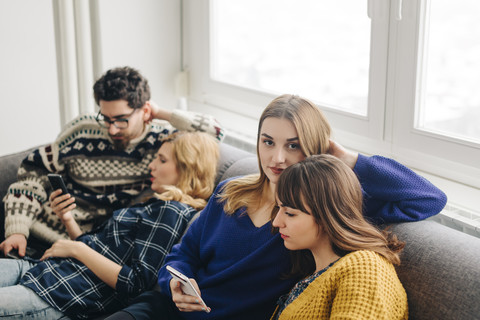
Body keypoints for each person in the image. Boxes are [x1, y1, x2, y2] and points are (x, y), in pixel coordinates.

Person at [107, 94, 446, 320]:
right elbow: (183, 254)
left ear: (313, 149)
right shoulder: (230, 192)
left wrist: (346, 157)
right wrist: (174, 284)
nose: (277, 158)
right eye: (268, 142)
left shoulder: (323, 213)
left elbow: (428, 199)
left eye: (293, 146)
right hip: (166, 309)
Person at [1, 66, 225, 258]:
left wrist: (161, 112)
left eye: (121, 120)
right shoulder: (82, 129)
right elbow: (32, 174)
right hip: (33, 229)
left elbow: (215, 132)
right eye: (105, 118)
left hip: (83, 245)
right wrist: (17, 230)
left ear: (145, 110)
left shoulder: (161, 143)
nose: (111, 129)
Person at [0, 131, 220, 319]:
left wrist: (77, 249)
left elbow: (136, 283)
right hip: (44, 268)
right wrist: (67, 218)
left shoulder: (171, 211)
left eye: (162, 160)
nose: (152, 165)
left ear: (187, 168)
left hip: (60, 293)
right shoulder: (154, 204)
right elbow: (98, 252)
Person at [271, 154, 408, 319]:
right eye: (278, 209)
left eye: (290, 213)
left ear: (326, 215)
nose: (276, 222)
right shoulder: (314, 275)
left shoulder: (365, 268)